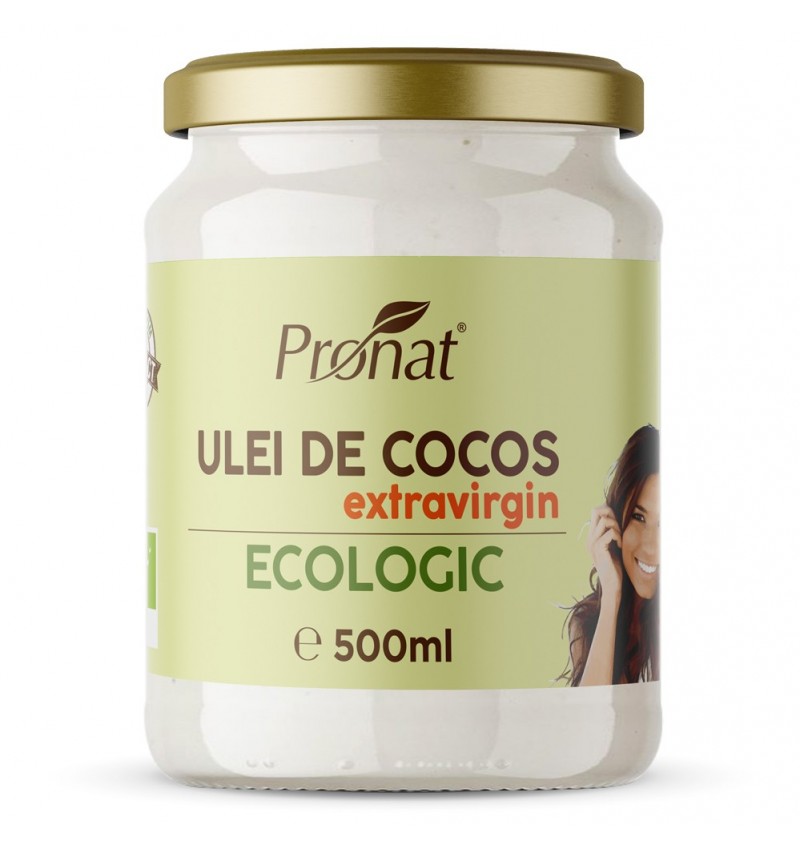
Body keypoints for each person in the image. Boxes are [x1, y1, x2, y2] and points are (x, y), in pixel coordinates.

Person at [562, 425, 660, 686]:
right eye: (638, 517)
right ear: (616, 516)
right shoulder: (590, 621)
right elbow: (589, 711)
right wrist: (611, 595)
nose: (652, 547)